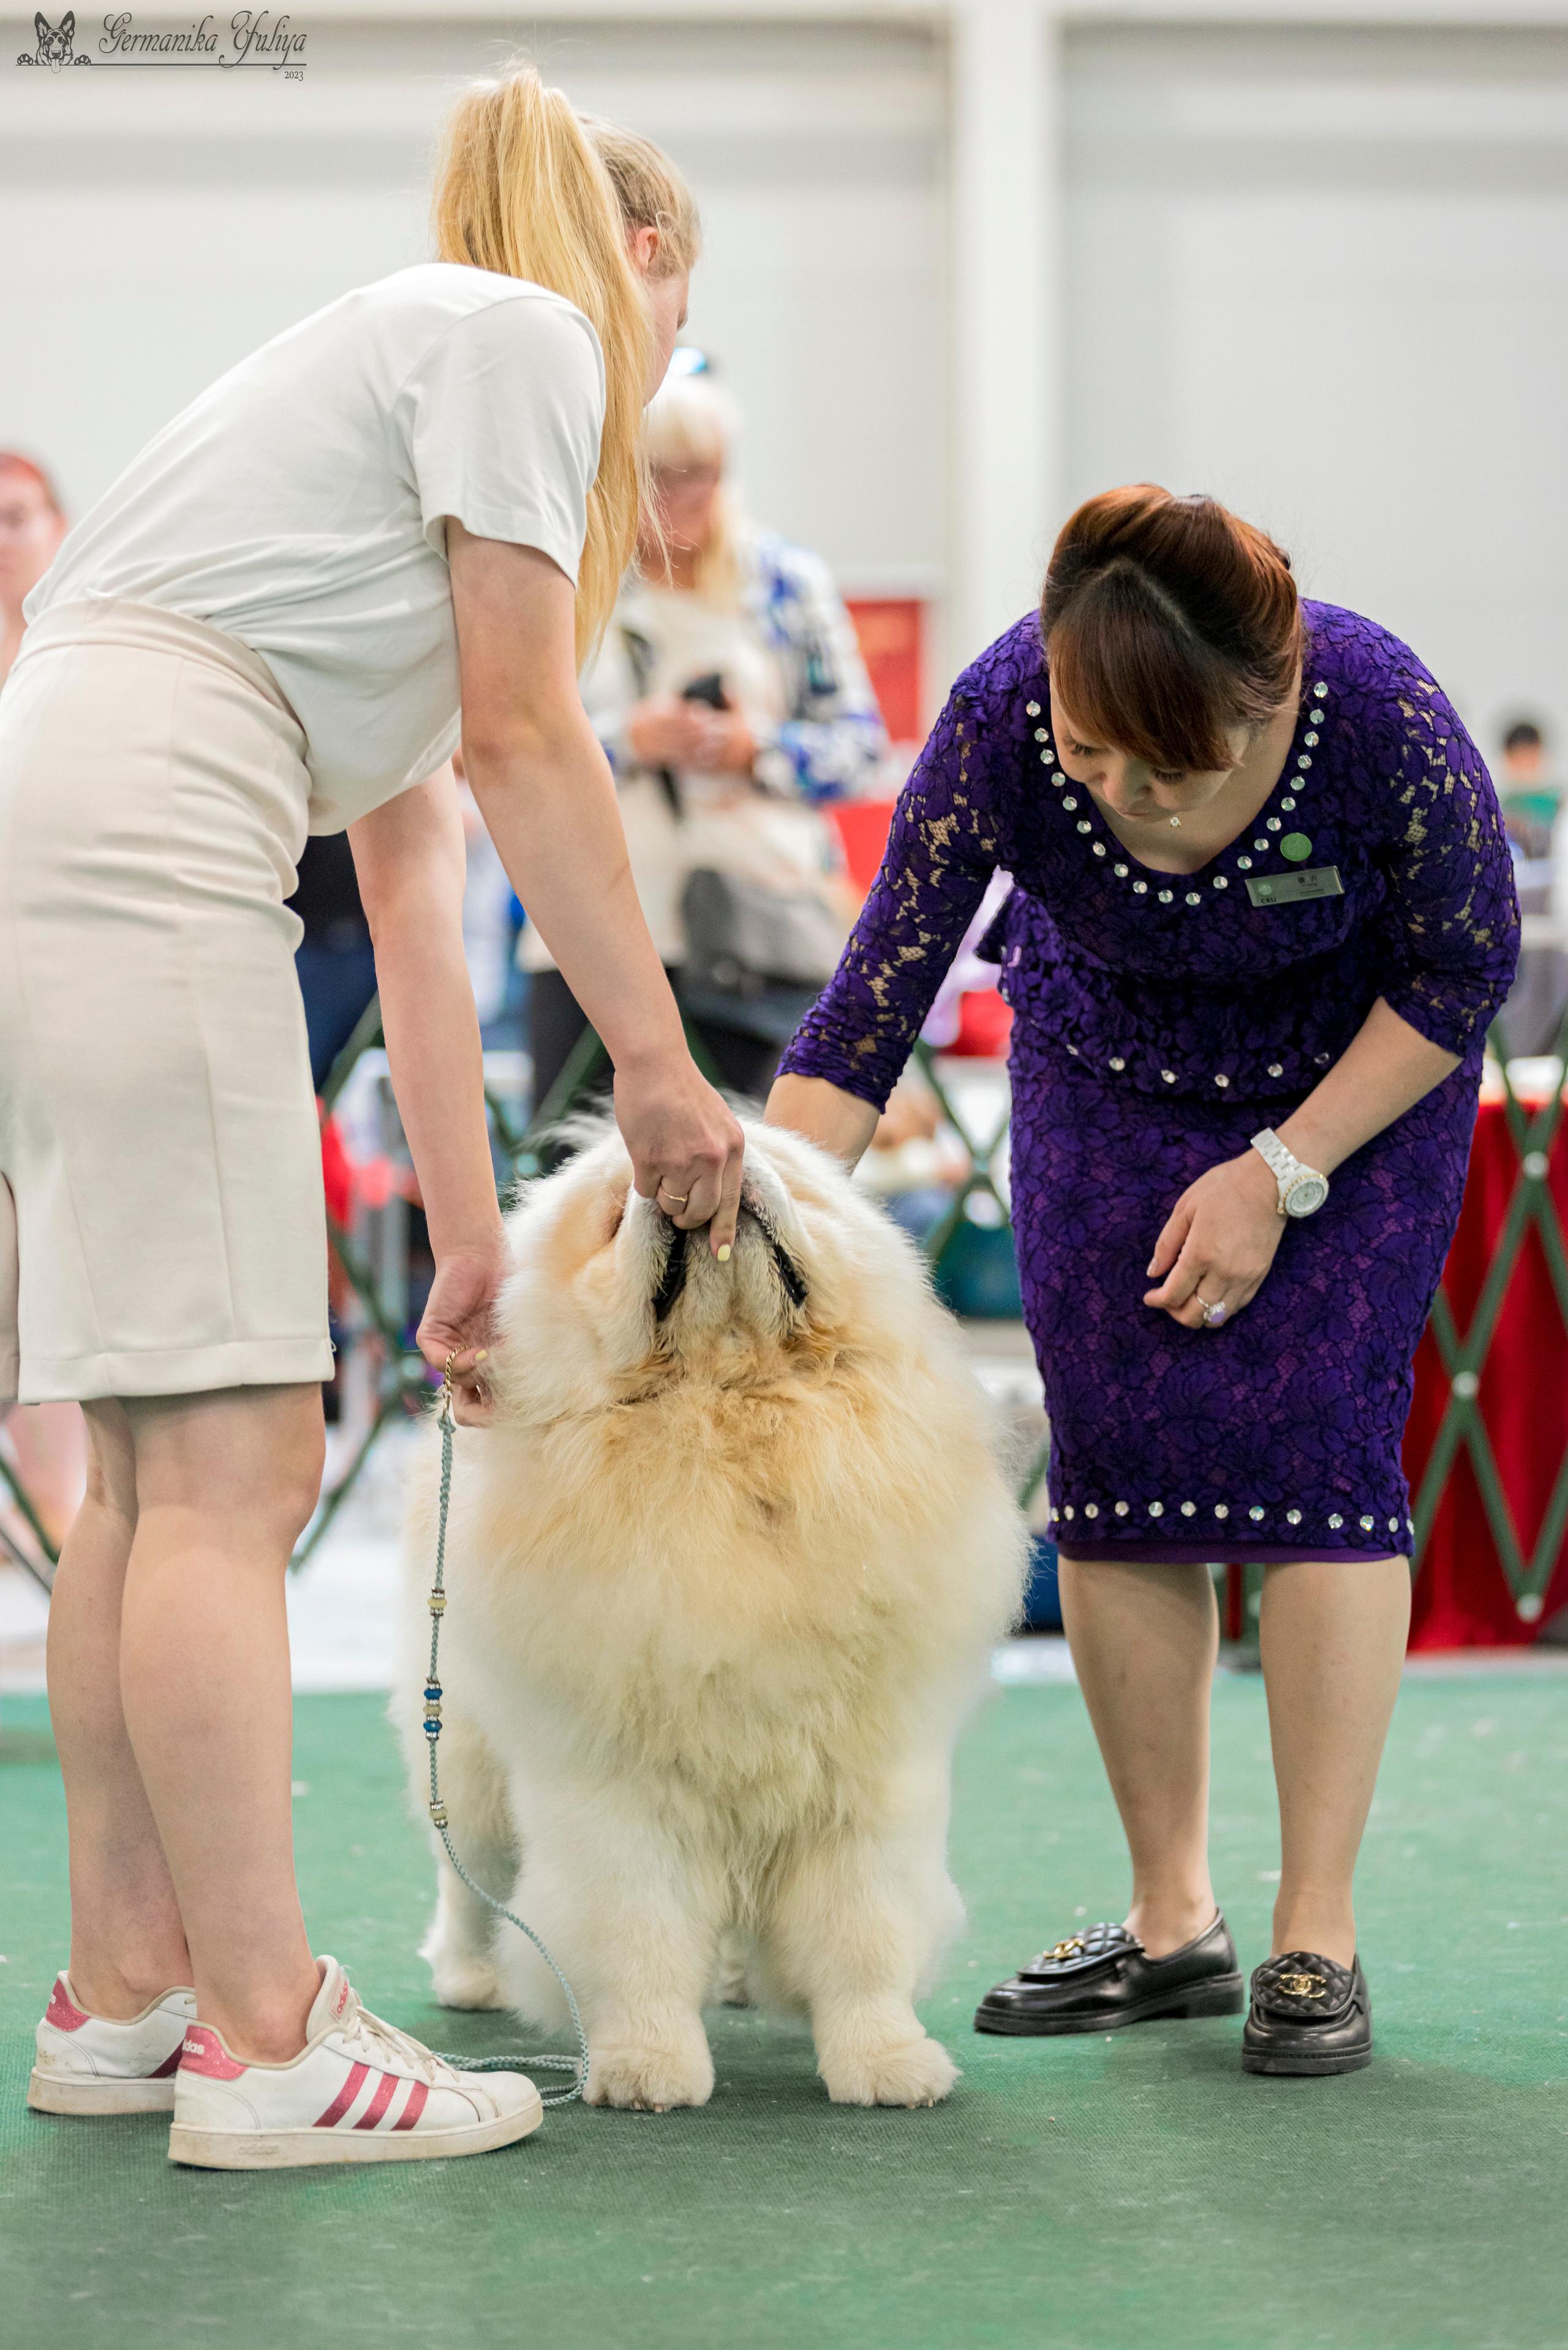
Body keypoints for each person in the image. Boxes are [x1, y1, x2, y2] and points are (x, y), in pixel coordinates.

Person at [1, 65, 745, 2169]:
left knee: (154, 1455)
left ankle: (130, 1994)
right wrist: (667, 1071)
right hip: (152, 819)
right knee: (233, 1452)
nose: (660, 381)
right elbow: (526, 743)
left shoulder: (386, 388)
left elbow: (420, 877)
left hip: (75, 798)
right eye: (675, 324)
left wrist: (476, 1228)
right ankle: (266, 2038)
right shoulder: (521, 335)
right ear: (644, 267)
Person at [768, 484, 1518, 2077]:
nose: (1113, 795)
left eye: (1161, 770)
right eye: (1089, 757)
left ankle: (1318, 1931)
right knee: (1117, 1471)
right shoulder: (1001, 709)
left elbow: (1465, 964)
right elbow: (877, 990)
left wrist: (1281, 1170)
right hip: (1101, 1073)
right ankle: (1170, 1917)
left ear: (1268, 699)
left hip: (1352, 1092)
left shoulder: (1378, 708)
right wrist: (761, 1222)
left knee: (1326, 1463)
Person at [523, 367, 885, 1109]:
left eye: (705, 472)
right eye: (662, 473)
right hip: (590, 933)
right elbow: (509, 742)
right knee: (579, 1183)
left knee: (766, 1173)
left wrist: (756, 749)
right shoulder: (572, 579)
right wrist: (632, 740)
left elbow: (861, 747)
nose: (685, 494)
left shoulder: (786, 581)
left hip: (760, 936)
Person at [0, 453, 86, 1552]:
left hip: (63, 1000)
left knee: (59, 1275)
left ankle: (58, 1521)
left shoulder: (82, 665)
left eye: (18, 517)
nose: (4, 538)